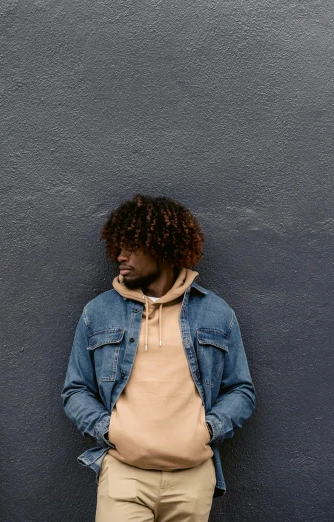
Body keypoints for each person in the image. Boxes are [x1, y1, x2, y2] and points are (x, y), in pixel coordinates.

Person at [61, 195, 255, 521]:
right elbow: (75, 390)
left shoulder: (216, 313)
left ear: (162, 248)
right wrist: (111, 431)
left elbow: (241, 390)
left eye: (132, 247)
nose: (120, 256)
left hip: (191, 479)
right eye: (118, 247)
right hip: (125, 475)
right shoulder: (99, 313)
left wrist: (207, 430)